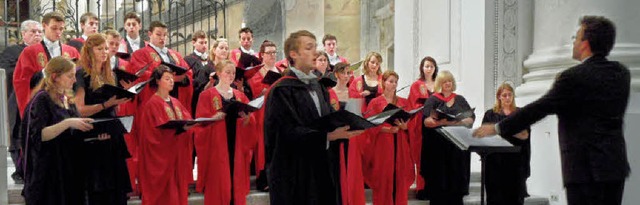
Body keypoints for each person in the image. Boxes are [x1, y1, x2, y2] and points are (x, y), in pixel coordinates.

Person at [473, 15, 631, 205]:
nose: (573, 42)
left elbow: (539, 108)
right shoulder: (621, 74)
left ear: (585, 44)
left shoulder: (572, 77)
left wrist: (497, 128)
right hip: (614, 167)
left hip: (583, 170)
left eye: (577, 37)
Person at [264, 30, 364, 205]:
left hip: (321, 168)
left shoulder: (318, 86)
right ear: (293, 54)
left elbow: (324, 122)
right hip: (295, 173)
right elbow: (286, 133)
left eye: (315, 47)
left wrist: (347, 125)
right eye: (309, 48)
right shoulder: (282, 90)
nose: (316, 52)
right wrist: (328, 136)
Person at [20, 57, 94, 205]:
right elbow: (39, 135)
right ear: (55, 77)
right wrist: (67, 123)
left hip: (69, 166)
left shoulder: (67, 98)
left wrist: (96, 133)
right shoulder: (42, 99)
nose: (74, 80)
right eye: (70, 76)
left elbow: (76, 128)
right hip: (50, 169)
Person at [73, 33, 133, 205]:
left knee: (116, 189)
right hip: (91, 137)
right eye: (100, 49)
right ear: (89, 50)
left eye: (106, 48)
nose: (105, 52)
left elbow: (113, 107)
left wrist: (124, 94)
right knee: (98, 191)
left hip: (111, 135)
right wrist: (106, 105)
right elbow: (79, 110)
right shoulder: (81, 75)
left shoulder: (111, 75)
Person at [195, 60, 256, 205]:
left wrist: (247, 119)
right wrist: (213, 119)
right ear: (218, 73)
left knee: (236, 185)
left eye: (233, 72)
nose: (231, 75)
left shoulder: (239, 95)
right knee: (219, 183)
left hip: (237, 144)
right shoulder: (207, 95)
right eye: (227, 72)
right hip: (217, 146)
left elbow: (251, 121)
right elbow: (199, 125)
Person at [137, 66, 195, 205]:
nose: (171, 81)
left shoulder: (176, 102)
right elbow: (150, 137)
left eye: (172, 79)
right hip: (162, 159)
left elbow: (188, 120)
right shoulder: (152, 104)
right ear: (157, 81)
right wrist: (176, 131)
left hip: (177, 157)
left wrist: (189, 127)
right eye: (167, 78)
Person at [420, 70, 474, 205]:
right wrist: (442, 123)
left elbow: (470, 119)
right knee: (439, 186)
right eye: (444, 81)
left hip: (457, 149)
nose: (447, 83)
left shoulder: (460, 99)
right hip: (438, 150)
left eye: (449, 80)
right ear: (439, 84)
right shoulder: (432, 100)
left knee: (456, 186)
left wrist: (453, 122)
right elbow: (426, 121)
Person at [14, 11, 80, 120]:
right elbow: (22, 81)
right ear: (44, 26)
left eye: (61, 29)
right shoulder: (30, 52)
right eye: (54, 28)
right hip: (42, 103)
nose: (58, 32)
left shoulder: (71, 51)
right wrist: (46, 71)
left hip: (66, 103)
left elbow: (79, 79)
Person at [0, 19, 42, 184]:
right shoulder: (13, 51)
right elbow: (9, 72)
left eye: (39, 32)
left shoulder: (45, 51)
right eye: (33, 32)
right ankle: (21, 169)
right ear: (23, 34)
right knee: (19, 132)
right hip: (18, 98)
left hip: (42, 99)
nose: (37, 35)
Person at [363, 70, 414, 205]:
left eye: (395, 82)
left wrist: (405, 127)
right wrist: (386, 129)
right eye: (390, 81)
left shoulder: (403, 102)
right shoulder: (375, 102)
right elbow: (369, 125)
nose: (393, 84)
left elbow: (411, 125)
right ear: (383, 83)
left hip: (401, 144)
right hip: (383, 146)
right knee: (384, 179)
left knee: (399, 179)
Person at [480, 82, 530, 205]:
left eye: (509, 95)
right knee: (495, 198)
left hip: (516, 163)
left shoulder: (520, 113)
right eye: (504, 95)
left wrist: (498, 130)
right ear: (499, 97)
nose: (507, 98)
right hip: (495, 163)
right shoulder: (490, 114)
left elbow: (524, 134)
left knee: (515, 199)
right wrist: (511, 130)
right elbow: (485, 134)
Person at [246, 40, 281, 192]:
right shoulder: (256, 73)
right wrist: (264, 92)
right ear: (261, 55)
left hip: (280, 115)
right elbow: (253, 95)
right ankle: (263, 180)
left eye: (274, 52)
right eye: (269, 53)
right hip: (263, 115)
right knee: (264, 147)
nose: (272, 55)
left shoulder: (281, 71)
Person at [406, 56, 438, 199]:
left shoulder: (439, 84)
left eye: (431, 66)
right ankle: (422, 187)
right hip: (421, 125)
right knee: (421, 157)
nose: (429, 69)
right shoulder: (416, 85)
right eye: (426, 66)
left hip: (437, 126)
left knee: (435, 158)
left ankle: (435, 187)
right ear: (422, 68)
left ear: (435, 68)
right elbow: (411, 106)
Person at [185, 30, 215, 115]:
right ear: (194, 43)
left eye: (206, 42)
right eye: (201, 43)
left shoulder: (210, 60)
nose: (204, 45)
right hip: (196, 96)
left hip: (211, 96)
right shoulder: (188, 59)